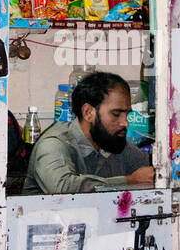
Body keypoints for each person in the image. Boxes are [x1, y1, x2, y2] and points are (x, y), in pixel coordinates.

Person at [23, 70, 154, 195]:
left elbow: (155, 168)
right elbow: (62, 187)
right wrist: (129, 181)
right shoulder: (53, 144)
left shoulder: (111, 142)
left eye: (126, 114)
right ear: (88, 112)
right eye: (116, 114)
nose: (125, 123)